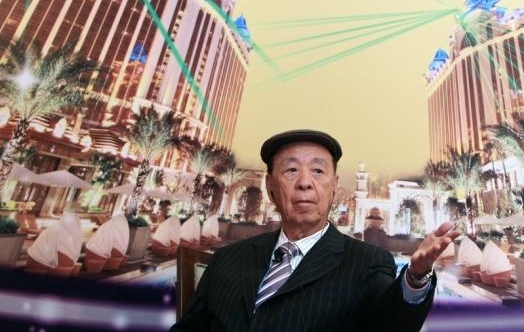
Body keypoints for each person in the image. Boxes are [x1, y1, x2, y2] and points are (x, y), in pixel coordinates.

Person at [171, 129, 461, 332]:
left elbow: (392, 325)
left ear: (334, 186)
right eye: (291, 170)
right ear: (270, 187)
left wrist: (416, 277)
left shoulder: (367, 262)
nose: (305, 182)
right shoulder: (228, 259)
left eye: (318, 171)